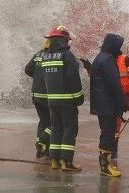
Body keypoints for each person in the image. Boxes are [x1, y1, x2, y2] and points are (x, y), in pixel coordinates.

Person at [42, 25, 85, 171]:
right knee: (69, 129)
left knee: (56, 128)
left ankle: (54, 160)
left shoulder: (45, 56)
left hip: (52, 101)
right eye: (67, 40)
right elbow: (73, 78)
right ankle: (66, 162)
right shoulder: (67, 55)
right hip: (67, 102)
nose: (68, 43)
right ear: (62, 40)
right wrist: (79, 97)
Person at [90, 33, 126, 177]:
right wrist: (121, 103)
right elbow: (115, 85)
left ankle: (106, 163)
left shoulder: (100, 57)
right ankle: (105, 166)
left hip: (102, 103)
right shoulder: (108, 60)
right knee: (108, 134)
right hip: (107, 104)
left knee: (107, 133)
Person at [25, 39, 51, 159]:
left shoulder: (38, 54)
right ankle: (43, 142)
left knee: (43, 121)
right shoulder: (55, 56)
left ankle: (40, 148)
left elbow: (28, 69)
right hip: (48, 95)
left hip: (36, 95)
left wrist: (38, 77)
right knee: (54, 122)